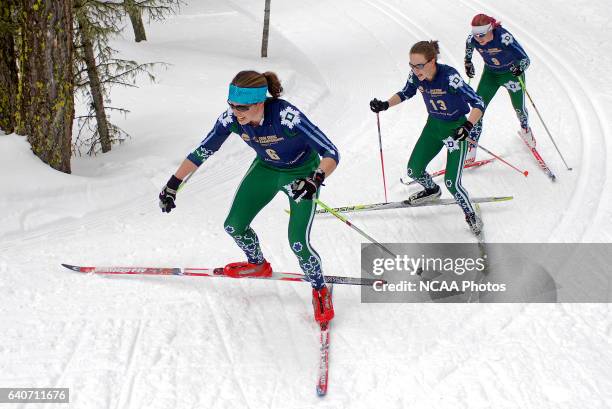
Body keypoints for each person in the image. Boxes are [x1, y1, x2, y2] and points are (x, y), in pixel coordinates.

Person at [158, 70, 339, 323]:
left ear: (259, 102)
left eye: (242, 107)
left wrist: (315, 178)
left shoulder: (287, 117)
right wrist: (172, 184)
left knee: (298, 242)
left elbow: (331, 151)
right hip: (266, 169)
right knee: (234, 225)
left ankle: (319, 288)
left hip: (300, 175)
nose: (236, 112)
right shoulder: (230, 119)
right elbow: (202, 151)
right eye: (231, 105)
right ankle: (258, 264)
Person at [369, 40, 485, 235]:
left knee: (452, 183)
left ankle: (470, 214)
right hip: (433, 127)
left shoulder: (450, 77)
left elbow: (478, 102)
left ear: (433, 61)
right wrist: (385, 105)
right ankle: (432, 189)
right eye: (411, 65)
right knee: (414, 170)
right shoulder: (417, 76)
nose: (415, 70)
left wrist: (467, 126)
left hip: (455, 131)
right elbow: (406, 93)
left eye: (419, 65)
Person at [464, 13, 533, 164]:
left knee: (519, 108)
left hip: (511, 75)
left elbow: (525, 59)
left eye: (482, 34)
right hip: (491, 75)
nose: (479, 39)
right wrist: (468, 63)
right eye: (476, 35)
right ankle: (472, 143)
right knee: (478, 108)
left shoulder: (503, 37)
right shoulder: (473, 39)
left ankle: (525, 128)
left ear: (491, 29)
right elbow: (469, 47)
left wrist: (519, 68)